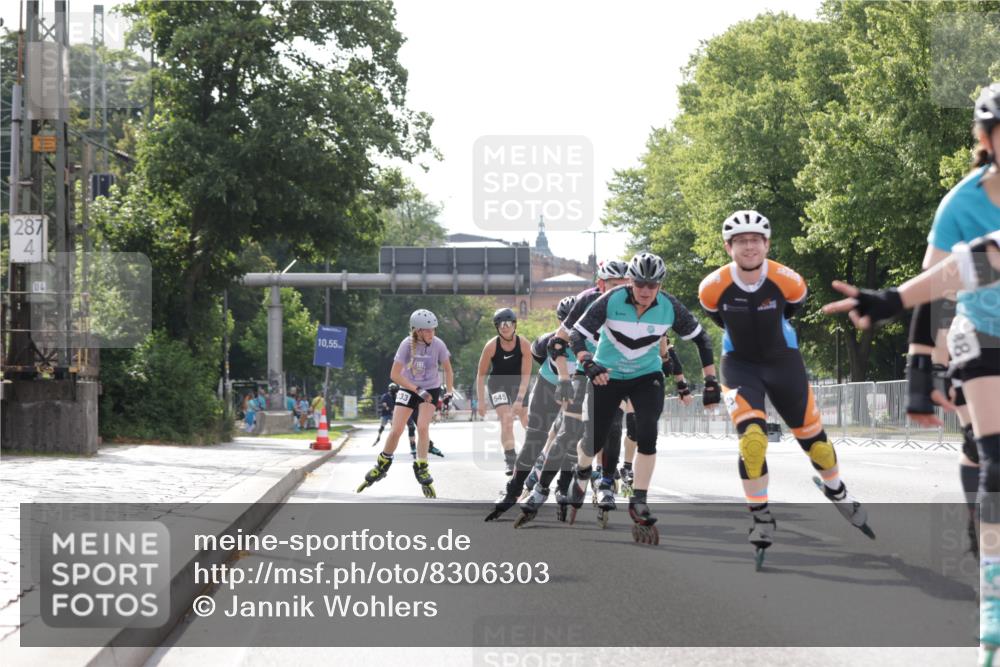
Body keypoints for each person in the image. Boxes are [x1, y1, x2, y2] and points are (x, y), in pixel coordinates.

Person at [822, 82, 1000, 666]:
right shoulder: (961, 203)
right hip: (984, 331)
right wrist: (922, 364)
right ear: (985, 138)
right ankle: (994, 592)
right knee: (993, 450)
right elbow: (955, 277)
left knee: (983, 453)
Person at [699, 210, 874, 568]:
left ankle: (836, 489)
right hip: (739, 364)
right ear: (728, 246)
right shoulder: (711, 287)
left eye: (755, 240)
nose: (749, 246)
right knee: (752, 442)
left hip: (784, 361)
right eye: (741, 241)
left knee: (817, 445)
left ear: (767, 244)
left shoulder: (788, 280)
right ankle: (761, 517)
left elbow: (792, 309)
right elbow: (717, 316)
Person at [570, 252, 718, 543]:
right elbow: (577, 334)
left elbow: (702, 338)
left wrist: (711, 379)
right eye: (640, 284)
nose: (646, 291)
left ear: (661, 285)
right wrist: (588, 362)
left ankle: (639, 500)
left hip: (646, 375)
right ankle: (583, 470)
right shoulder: (610, 300)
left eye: (653, 285)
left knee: (647, 431)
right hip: (606, 375)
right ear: (629, 281)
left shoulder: (669, 306)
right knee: (595, 439)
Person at [484, 296, 575, 523]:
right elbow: (537, 356)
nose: (572, 328)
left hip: (577, 388)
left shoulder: (594, 340)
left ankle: (562, 488)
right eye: (567, 323)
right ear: (560, 321)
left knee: (570, 439)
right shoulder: (547, 341)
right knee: (535, 438)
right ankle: (513, 490)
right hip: (546, 386)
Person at [357, 309, 454, 498]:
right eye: (426, 330)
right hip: (410, 388)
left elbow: (449, 370)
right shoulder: (406, 345)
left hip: (431, 389)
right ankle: (383, 463)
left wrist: (449, 391)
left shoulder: (438, 344)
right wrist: (416, 390)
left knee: (423, 428)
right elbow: (394, 374)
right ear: (416, 330)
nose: (431, 334)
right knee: (397, 429)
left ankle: (422, 466)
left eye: (433, 330)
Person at [475, 308, 533, 475]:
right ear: (497, 327)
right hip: (498, 384)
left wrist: (519, 399)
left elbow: (526, 374)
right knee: (506, 420)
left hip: (518, 383)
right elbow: (481, 375)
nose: (504, 327)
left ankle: (533, 453)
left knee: (525, 418)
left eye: (508, 323)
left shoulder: (524, 344)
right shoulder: (491, 346)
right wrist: (480, 401)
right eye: (500, 325)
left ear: (514, 325)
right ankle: (510, 459)